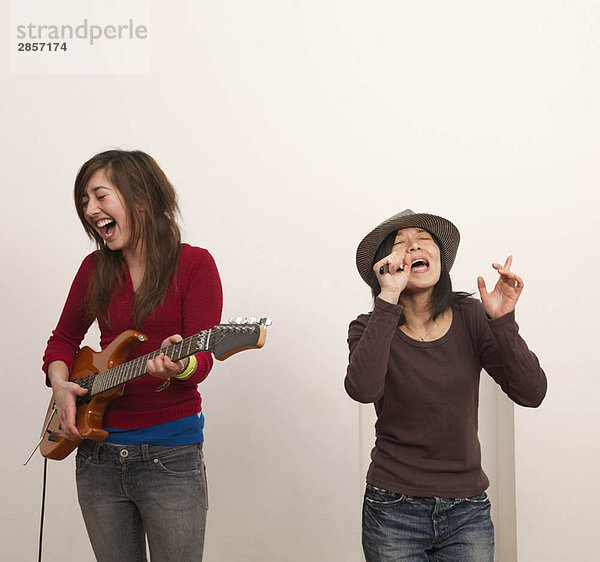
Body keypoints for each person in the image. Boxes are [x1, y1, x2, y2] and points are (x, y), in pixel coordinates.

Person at [42, 150, 222, 561]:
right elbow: (63, 340)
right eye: (84, 201)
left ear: (140, 197)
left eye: (100, 196)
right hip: (96, 456)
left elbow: (203, 359)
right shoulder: (94, 269)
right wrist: (61, 384)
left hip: (171, 457)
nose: (90, 210)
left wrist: (180, 366)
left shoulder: (194, 264)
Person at [345, 209, 547, 561]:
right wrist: (387, 300)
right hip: (392, 507)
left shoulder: (471, 316)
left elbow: (531, 393)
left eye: (424, 240)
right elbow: (362, 390)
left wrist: (503, 322)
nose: (413, 246)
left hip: (467, 510)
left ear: (440, 258)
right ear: (385, 266)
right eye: (401, 244)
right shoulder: (368, 327)